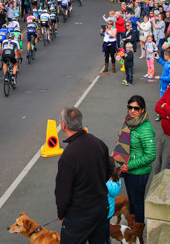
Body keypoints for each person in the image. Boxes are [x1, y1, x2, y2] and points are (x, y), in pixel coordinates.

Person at [55, 107, 112, 244]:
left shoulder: (68, 156)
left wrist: (61, 213)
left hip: (79, 213)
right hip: (100, 207)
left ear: (64, 125)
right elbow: (109, 171)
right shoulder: (98, 143)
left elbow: (63, 192)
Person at [116, 95, 154, 228]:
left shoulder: (145, 129)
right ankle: (131, 229)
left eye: (136, 108)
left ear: (142, 110)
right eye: (130, 107)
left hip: (138, 173)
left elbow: (150, 155)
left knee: (137, 203)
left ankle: (137, 234)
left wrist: (129, 165)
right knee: (131, 201)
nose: (132, 111)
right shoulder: (128, 122)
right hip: (127, 169)